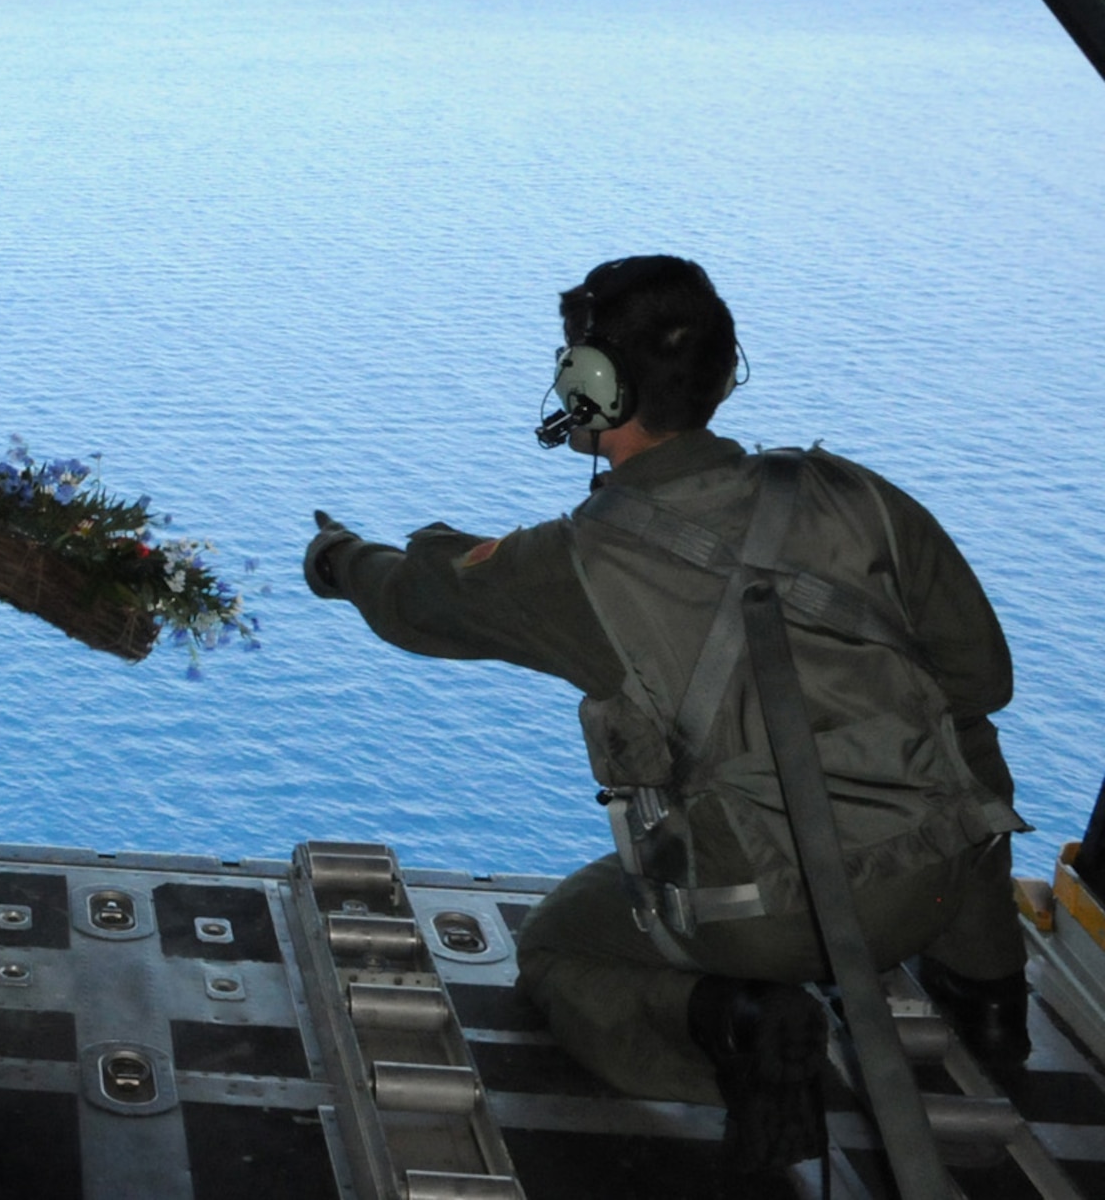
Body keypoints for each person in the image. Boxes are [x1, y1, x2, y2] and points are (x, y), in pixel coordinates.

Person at [303, 255, 1028, 1171]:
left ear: (591, 389)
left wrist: (339, 559)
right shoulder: (856, 496)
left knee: (561, 953)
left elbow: (415, 600)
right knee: (967, 736)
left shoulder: (574, 565)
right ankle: (995, 1000)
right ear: (724, 375)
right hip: (928, 892)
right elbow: (981, 680)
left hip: (762, 917)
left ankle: (736, 1019)